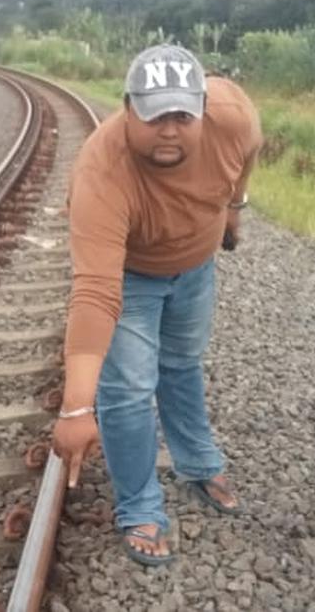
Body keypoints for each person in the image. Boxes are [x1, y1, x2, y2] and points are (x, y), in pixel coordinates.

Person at [53, 45, 262, 566]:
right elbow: (96, 291)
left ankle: (197, 463)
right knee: (125, 391)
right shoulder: (102, 172)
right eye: (154, 115)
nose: (169, 129)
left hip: (196, 266)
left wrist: (234, 207)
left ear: (202, 110)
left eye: (181, 115)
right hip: (132, 276)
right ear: (127, 109)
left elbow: (250, 153)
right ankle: (140, 506)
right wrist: (77, 408)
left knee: (182, 364)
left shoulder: (232, 116)